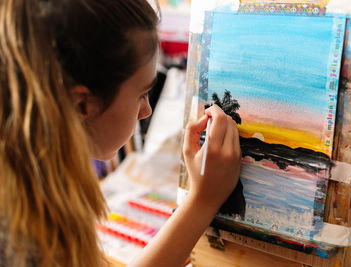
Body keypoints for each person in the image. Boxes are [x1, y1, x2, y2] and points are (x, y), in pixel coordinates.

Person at [0, 0, 241, 266]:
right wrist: (203, 200)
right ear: (82, 105)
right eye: (141, 94)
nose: (146, 111)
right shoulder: (20, 240)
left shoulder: (33, 185)